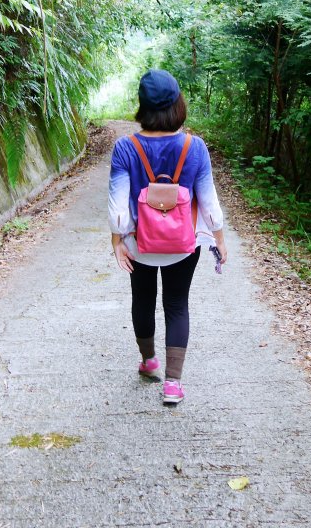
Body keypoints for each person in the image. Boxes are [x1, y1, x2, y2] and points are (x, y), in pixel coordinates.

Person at [108, 69, 227, 405]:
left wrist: (117, 241)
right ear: (178, 103)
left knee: (142, 300)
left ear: (141, 105)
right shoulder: (195, 146)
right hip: (183, 245)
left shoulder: (124, 148)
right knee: (176, 305)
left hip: (138, 243)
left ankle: (148, 363)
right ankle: (173, 385)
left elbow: (118, 205)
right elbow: (210, 202)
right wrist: (219, 238)